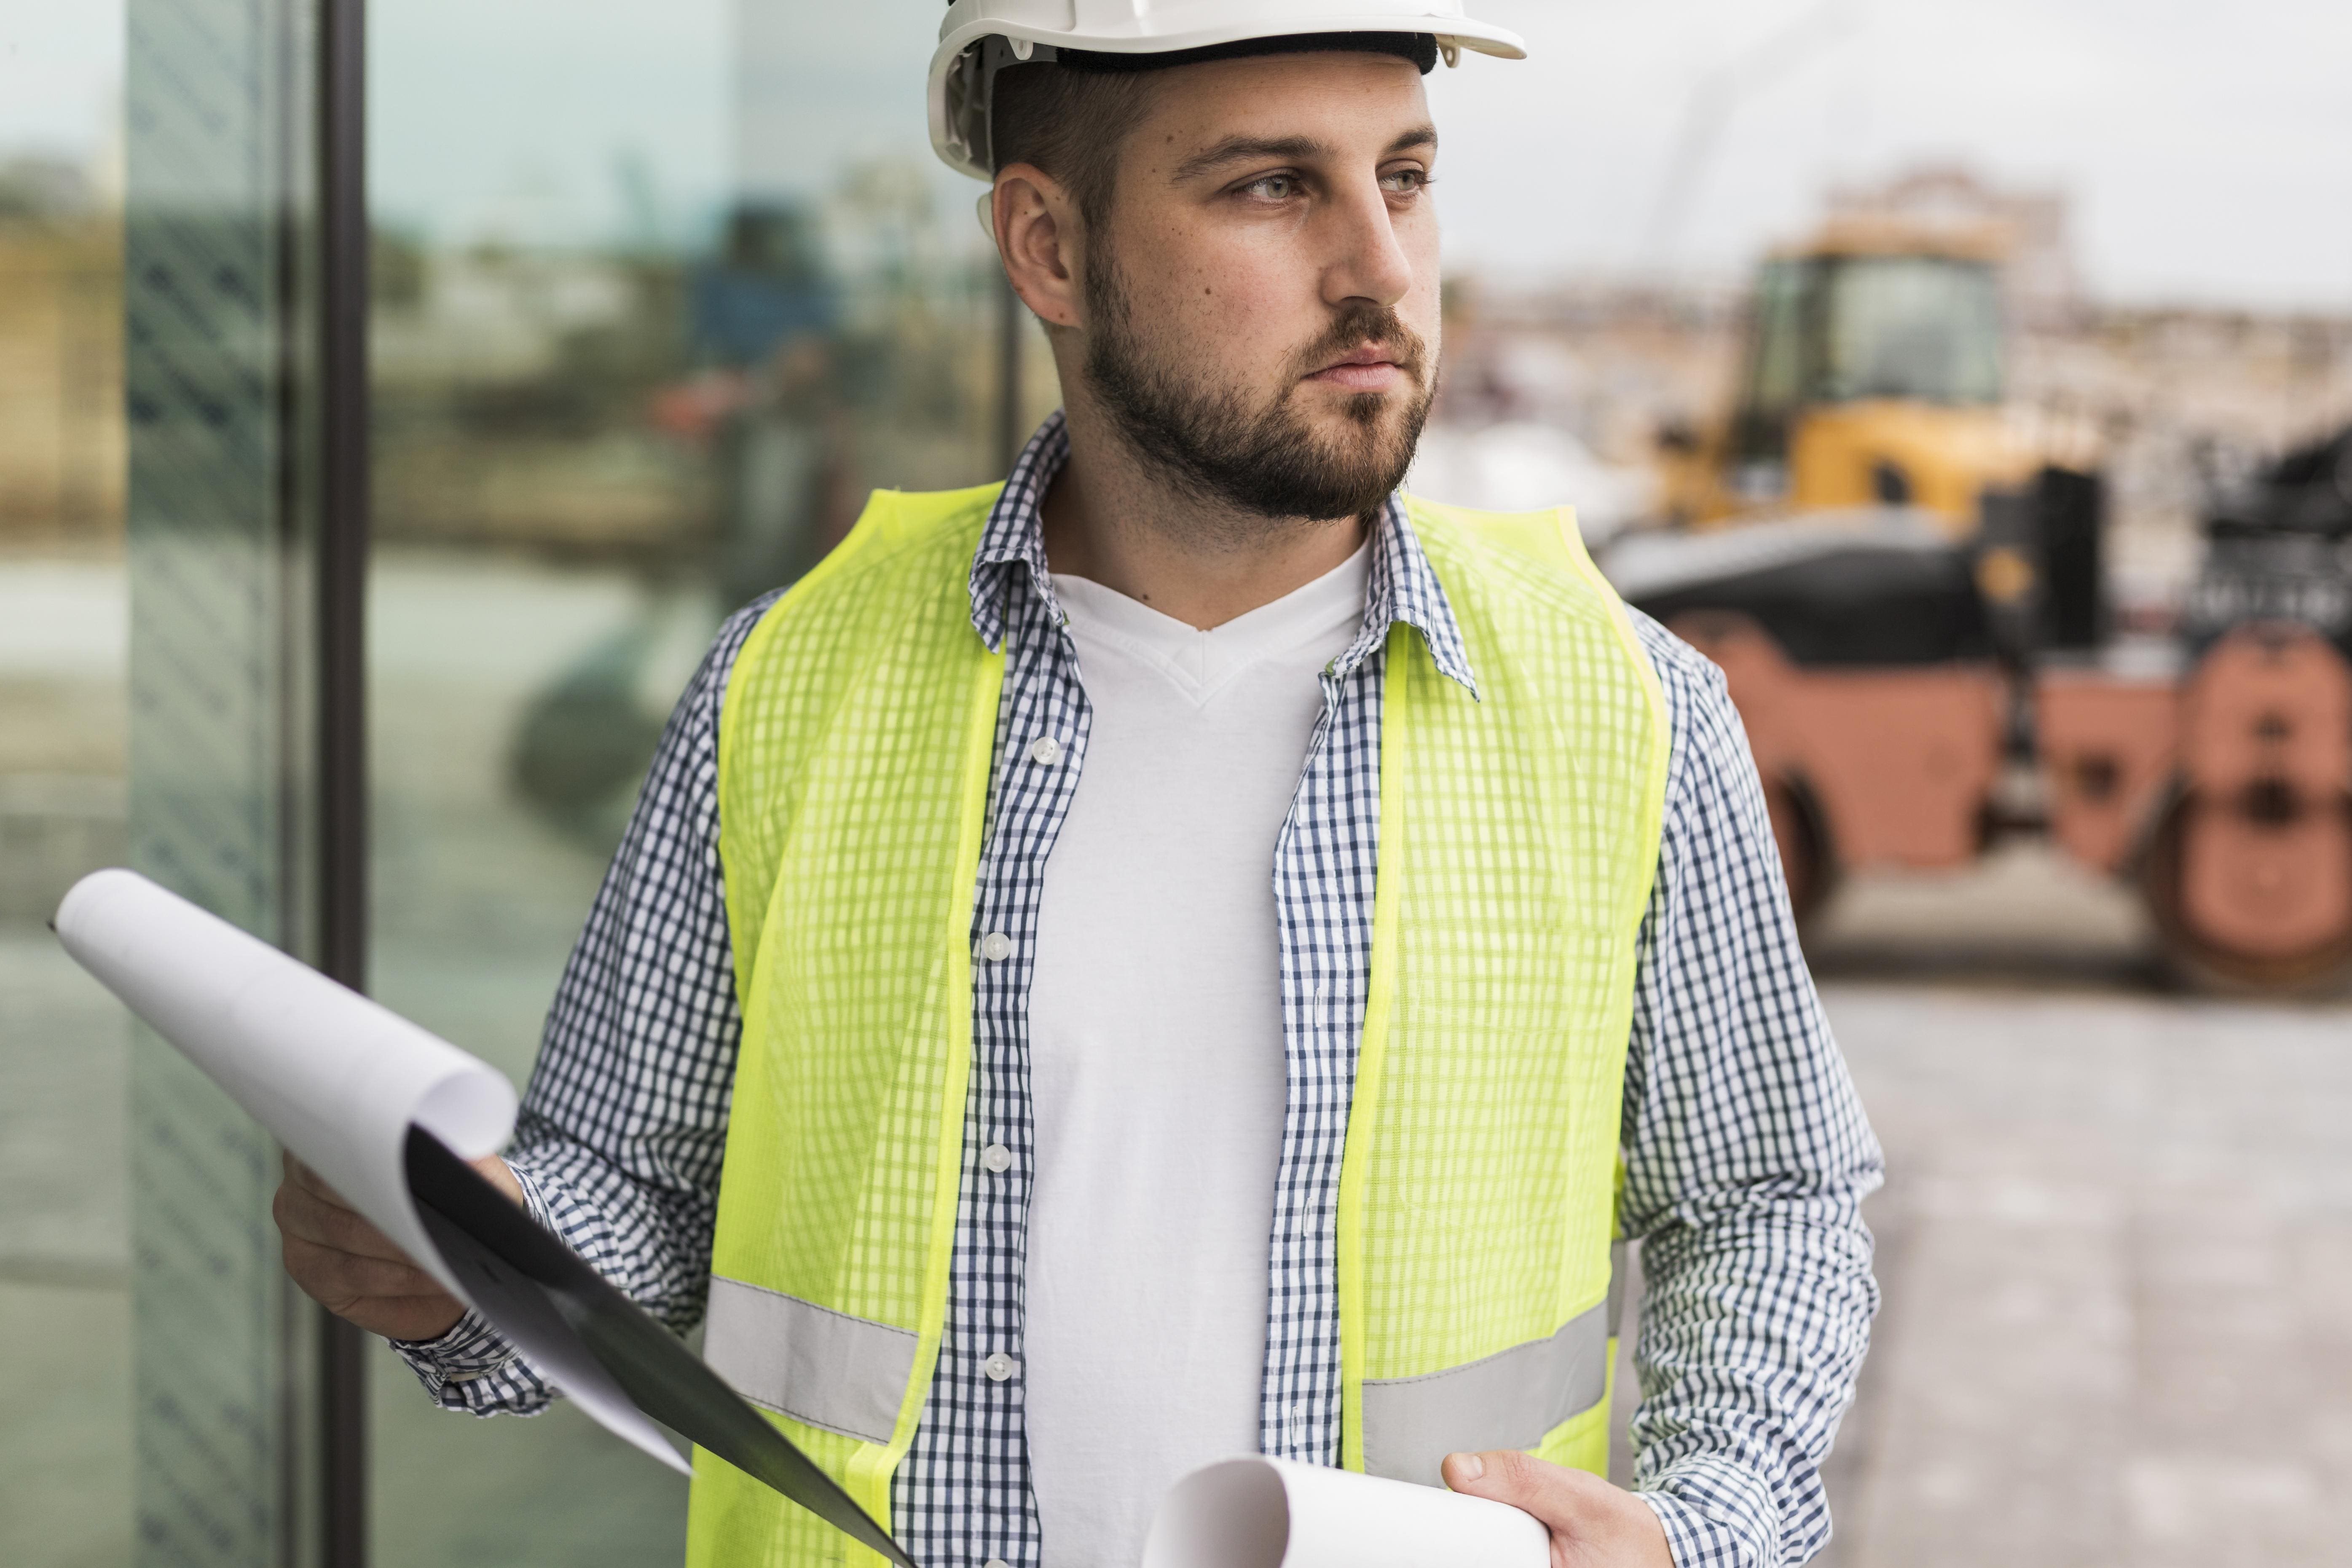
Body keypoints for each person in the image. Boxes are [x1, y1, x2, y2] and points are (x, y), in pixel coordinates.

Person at [273, 4, 1881, 1565]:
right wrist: (459, 1261)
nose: (1382, 268)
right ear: (1047, 248)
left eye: (1403, 175)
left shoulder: (1624, 709)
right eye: (1272, 185)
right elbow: (633, 1190)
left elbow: (1771, 1192)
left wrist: (1700, 1527)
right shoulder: (791, 685)